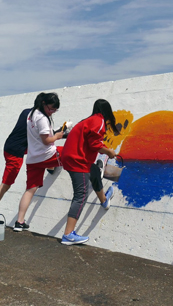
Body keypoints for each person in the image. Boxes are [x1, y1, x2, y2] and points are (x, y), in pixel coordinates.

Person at [59, 99, 119, 245]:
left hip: (72, 158)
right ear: (107, 111)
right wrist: (109, 151)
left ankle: (104, 200)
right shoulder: (98, 121)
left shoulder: (88, 120)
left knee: (94, 172)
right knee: (81, 195)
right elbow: (94, 144)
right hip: (77, 160)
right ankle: (68, 235)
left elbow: (92, 141)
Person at [14, 92, 65, 232]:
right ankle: (92, 168)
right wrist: (58, 135)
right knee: (71, 153)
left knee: (30, 190)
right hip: (47, 155)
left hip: (33, 159)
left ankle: (19, 222)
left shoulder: (32, 114)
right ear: (44, 103)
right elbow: (46, 140)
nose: (52, 112)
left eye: (55, 110)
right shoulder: (42, 119)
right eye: (51, 108)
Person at [0, 107, 32, 226]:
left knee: (5, 184)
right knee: (5, 184)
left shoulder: (26, 112)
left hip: (10, 147)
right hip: (16, 152)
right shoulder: (37, 117)